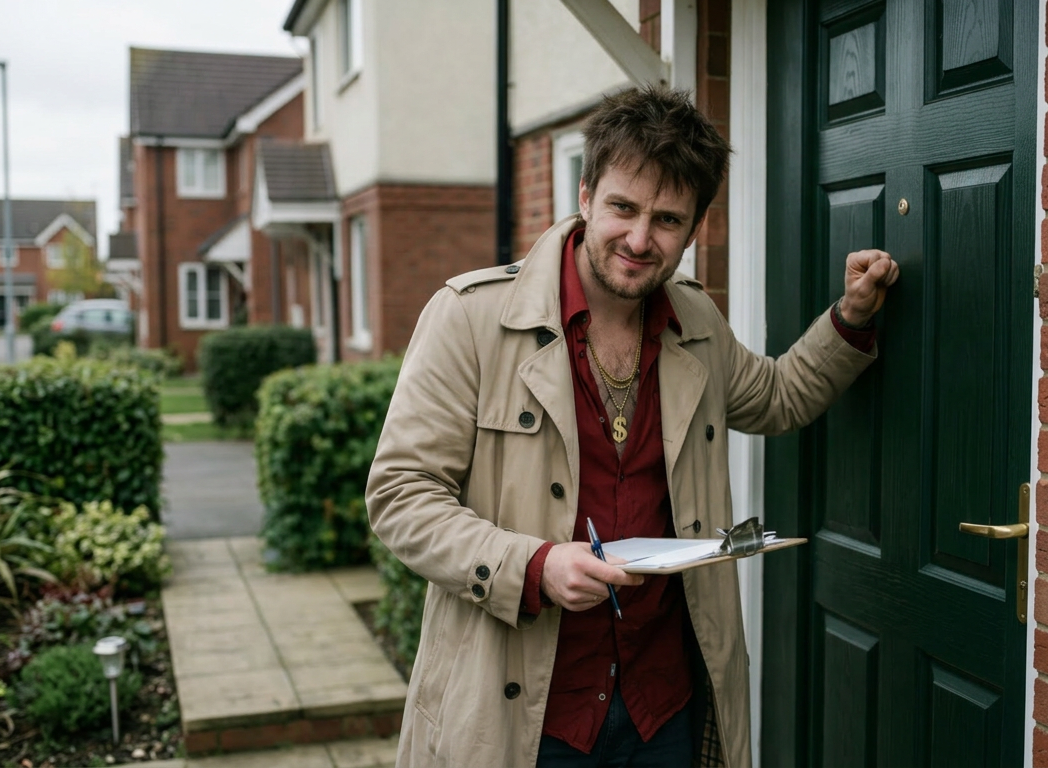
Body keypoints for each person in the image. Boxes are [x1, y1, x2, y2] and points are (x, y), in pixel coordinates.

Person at [366, 86, 899, 768]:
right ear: (586, 195)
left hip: (662, 711)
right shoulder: (470, 317)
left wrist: (850, 318)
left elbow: (777, 398)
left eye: (668, 219)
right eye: (623, 207)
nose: (641, 240)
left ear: (695, 226)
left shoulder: (697, 323)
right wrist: (532, 565)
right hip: (521, 716)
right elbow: (401, 495)